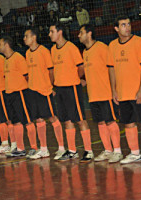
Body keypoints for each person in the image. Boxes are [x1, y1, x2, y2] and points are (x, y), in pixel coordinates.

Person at [107, 16, 141, 165]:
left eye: (128, 24)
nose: (127, 27)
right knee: (128, 123)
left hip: (139, 93)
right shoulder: (112, 46)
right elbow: (111, 69)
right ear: (116, 29)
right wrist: (114, 90)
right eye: (123, 25)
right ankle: (135, 153)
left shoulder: (139, 42)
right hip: (123, 93)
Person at [78, 24, 122, 163]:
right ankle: (108, 150)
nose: (79, 35)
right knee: (101, 123)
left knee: (110, 121)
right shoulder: (85, 52)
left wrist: (114, 89)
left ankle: (118, 151)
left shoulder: (102, 48)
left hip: (105, 93)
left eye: (81, 33)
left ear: (89, 34)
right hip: (93, 95)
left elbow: (112, 68)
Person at [49, 23, 93, 161]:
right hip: (60, 89)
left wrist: (76, 79)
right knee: (67, 120)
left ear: (60, 32)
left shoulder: (71, 48)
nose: (49, 34)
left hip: (72, 88)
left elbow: (81, 67)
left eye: (52, 31)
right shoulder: (52, 50)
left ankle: (88, 151)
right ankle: (72, 150)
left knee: (80, 119)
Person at [23, 28, 66, 160]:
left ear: (34, 37)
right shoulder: (27, 53)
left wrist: (50, 86)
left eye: (26, 36)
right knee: (39, 120)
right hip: (32, 91)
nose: (24, 38)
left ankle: (61, 148)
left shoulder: (43, 51)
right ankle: (44, 149)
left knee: (52, 117)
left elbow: (51, 71)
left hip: (44, 90)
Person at [0, 36, 32, 157]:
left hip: (20, 93)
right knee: (16, 122)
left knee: (27, 121)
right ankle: (20, 148)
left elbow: (27, 76)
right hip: (9, 94)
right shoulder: (6, 60)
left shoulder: (18, 57)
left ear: (6, 45)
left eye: (0, 44)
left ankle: (34, 148)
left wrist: (24, 89)